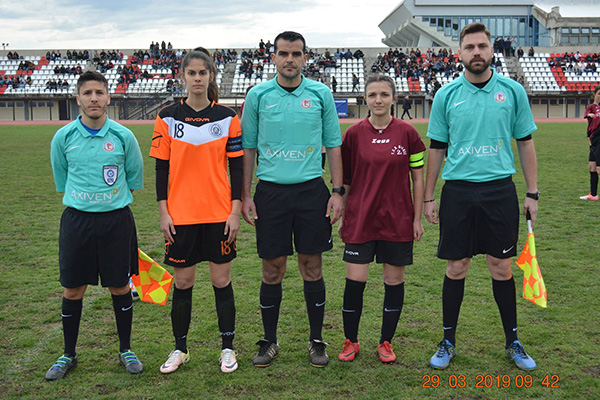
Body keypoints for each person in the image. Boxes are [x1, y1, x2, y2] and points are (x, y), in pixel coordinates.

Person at [424, 22, 539, 371]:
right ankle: (447, 341)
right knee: (456, 266)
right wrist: (428, 197)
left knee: (501, 267)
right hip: (458, 192)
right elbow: (436, 148)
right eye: (470, 47)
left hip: (499, 190)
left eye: (482, 46)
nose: (476, 52)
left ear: (491, 50)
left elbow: (526, 143)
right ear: (459, 53)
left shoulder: (512, 91)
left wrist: (532, 192)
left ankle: (513, 341)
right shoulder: (446, 95)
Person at [241, 31, 344, 368]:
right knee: (273, 269)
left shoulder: (320, 94)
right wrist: (245, 195)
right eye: (283, 53)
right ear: (273, 57)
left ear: (304, 58)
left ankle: (316, 341)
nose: (290, 59)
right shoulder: (258, 96)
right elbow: (248, 148)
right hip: (270, 193)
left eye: (296, 54)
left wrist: (338, 191)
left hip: (311, 191)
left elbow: (333, 144)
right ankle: (269, 341)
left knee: (311, 266)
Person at [149, 49, 243, 374]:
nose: (198, 78)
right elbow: (161, 169)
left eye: (203, 72)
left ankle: (227, 348)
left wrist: (235, 211)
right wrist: (164, 212)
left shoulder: (228, 117)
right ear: (183, 76)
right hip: (181, 216)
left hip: (219, 215)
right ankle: (180, 349)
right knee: (183, 282)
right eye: (192, 73)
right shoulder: (167, 117)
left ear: (211, 75)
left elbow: (237, 169)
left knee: (221, 280)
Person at [47, 71, 144, 380]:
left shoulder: (123, 136)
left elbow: (133, 177)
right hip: (77, 221)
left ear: (108, 98)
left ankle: (126, 350)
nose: (93, 98)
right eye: (87, 93)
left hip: (116, 221)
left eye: (99, 93)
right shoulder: (63, 137)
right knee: (73, 288)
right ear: (78, 98)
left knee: (119, 285)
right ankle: (68, 354)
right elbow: (62, 179)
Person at [337, 75, 425, 364]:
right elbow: (346, 180)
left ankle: (386, 342)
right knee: (355, 281)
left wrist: (416, 218)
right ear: (365, 98)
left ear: (393, 98)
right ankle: (351, 340)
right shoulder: (353, 134)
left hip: (397, 220)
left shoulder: (407, 133)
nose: (378, 100)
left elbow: (418, 177)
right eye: (373, 94)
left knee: (393, 281)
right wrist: (343, 215)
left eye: (384, 94)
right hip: (361, 219)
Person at [580, 85, 600, 200]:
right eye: (599, 94)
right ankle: (593, 194)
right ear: (594, 95)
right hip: (593, 140)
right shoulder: (591, 107)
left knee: (599, 169)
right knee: (592, 167)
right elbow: (587, 115)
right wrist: (589, 115)